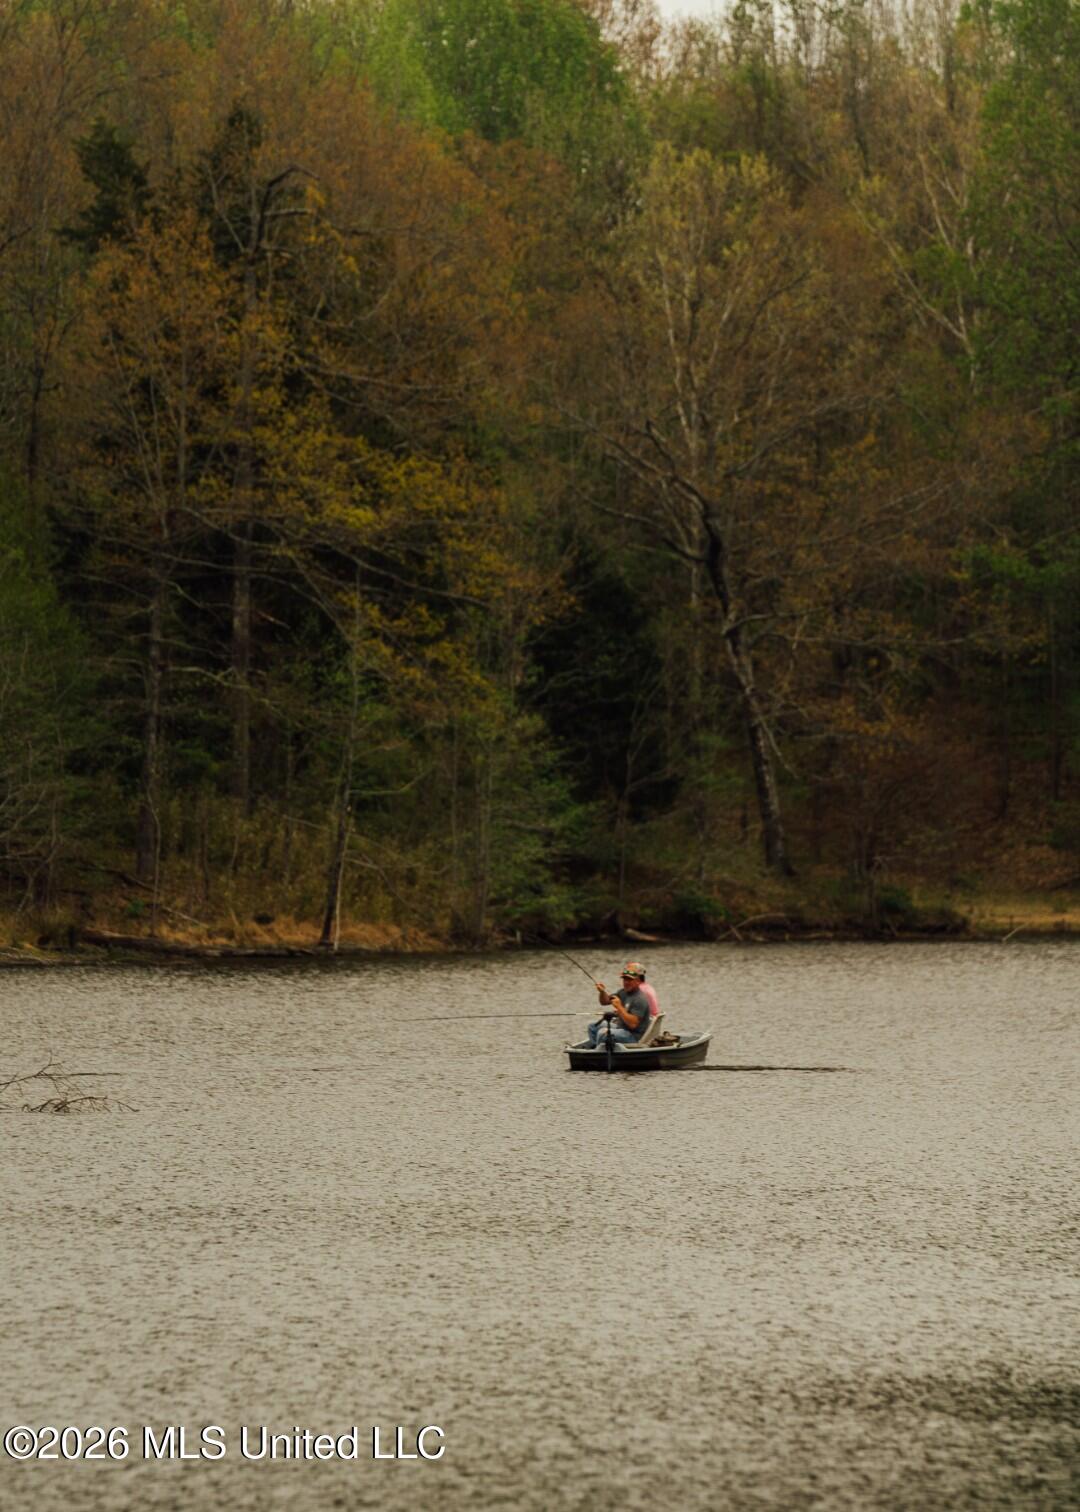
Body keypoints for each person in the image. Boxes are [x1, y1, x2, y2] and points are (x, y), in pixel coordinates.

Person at [586, 962, 653, 1048]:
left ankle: (600, 1056)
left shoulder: (640, 999)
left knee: (602, 1033)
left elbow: (633, 1025)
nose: (626, 982)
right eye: (624, 979)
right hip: (621, 1028)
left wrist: (619, 1007)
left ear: (638, 981)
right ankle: (598, 1049)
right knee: (592, 1026)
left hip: (633, 1036)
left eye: (629, 980)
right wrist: (602, 992)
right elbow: (605, 1001)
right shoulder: (623, 992)